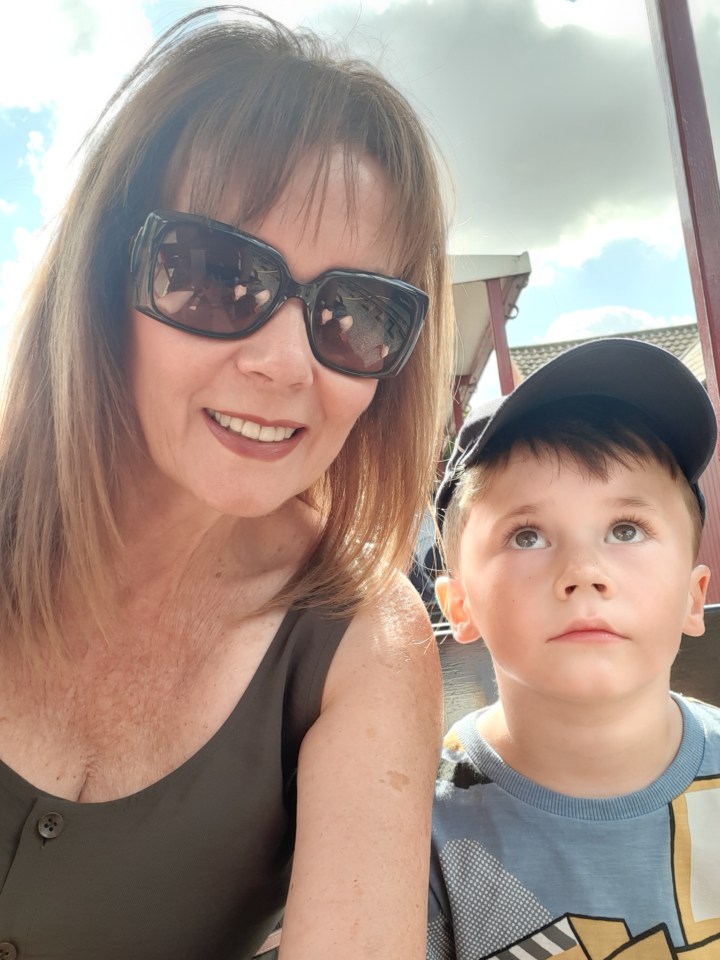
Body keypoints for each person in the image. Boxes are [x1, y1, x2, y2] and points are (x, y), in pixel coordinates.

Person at [0, 7, 455, 959]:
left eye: (357, 312)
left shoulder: (362, 645)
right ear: (102, 272)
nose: (288, 363)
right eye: (214, 274)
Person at [427, 338, 720, 960]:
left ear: (693, 599)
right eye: (527, 535)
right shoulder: (421, 829)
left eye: (626, 529)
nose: (584, 571)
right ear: (460, 607)